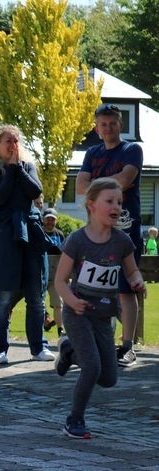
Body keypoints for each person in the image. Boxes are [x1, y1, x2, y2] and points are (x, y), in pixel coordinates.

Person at [53, 178, 145, 439]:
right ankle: (74, 419)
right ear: (91, 205)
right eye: (109, 201)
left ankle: (69, 352)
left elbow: (132, 270)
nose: (116, 207)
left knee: (108, 379)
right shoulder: (77, 240)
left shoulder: (122, 241)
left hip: (104, 317)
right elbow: (60, 281)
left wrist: (137, 280)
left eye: (119, 202)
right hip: (78, 313)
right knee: (92, 367)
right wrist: (72, 301)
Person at [75, 103, 144, 368]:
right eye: (102, 124)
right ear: (96, 127)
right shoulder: (91, 153)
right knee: (93, 287)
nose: (108, 128)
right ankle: (98, 344)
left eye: (112, 123)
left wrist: (98, 186)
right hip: (95, 231)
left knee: (126, 289)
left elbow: (126, 179)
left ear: (120, 124)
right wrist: (107, 185)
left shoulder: (132, 149)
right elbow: (80, 186)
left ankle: (127, 347)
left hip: (125, 229)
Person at [0, 125, 53, 366]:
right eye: (8, 141)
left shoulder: (28, 167)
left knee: (36, 294)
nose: (13, 145)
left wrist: (19, 169)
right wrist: (10, 170)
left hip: (30, 233)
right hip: (5, 235)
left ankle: (38, 346)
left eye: (16, 141)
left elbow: (35, 190)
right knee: (3, 295)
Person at [42, 208, 66, 335]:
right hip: (40, 274)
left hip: (55, 275)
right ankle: (43, 322)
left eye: (53, 219)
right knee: (38, 302)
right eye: (48, 219)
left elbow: (65, 254)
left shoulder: (59, 234)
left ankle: (60, 330)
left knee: (58, 303)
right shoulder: (38, 232)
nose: (50, 221)